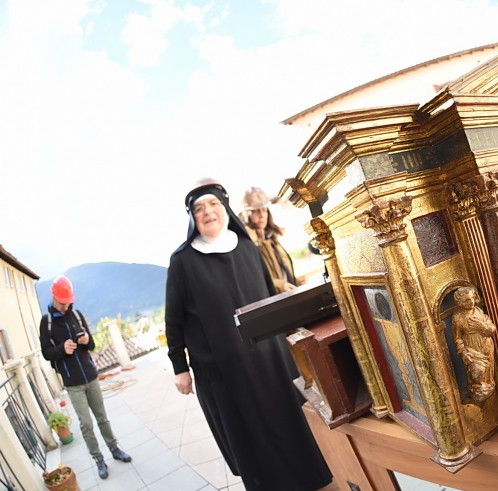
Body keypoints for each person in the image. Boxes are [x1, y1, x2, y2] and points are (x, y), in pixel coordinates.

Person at [165, 178, 332, 491]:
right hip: (226, 371)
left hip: (270, 359)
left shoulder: (246, 248)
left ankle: (316, 479)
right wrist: (180, 369)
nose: (207, 212)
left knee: (290, 422)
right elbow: (173, 321)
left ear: (225, 208)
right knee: (252, 436)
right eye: (199, 208)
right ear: (192, 218)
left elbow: (269, 295)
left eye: (213, 204)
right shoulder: (182, 262)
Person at [39, 275, 132, 480]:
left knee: (102, 418)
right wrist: (62, 349)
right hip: (73, 383)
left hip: (91, 376)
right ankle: (98, 459)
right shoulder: (46, 323)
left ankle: (115, 449)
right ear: (54, 298)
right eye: (63, 303)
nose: (66, 306)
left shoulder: (77, 315)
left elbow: (91, 346)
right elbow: (46, 353)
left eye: (68, 302)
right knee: (86, 424)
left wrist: (87, 340)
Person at [239, 186, 300, 293]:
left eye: (264, 210)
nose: (262, 215)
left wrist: (296, 283)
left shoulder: (271, 238)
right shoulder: (245, 244)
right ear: (246, 214)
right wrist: (280, 286)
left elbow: (282, 270)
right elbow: (253, 278)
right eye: (256, 211)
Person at [452, 287, 496, 403]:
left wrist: (482, 327)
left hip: (486, 346)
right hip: (472, 350)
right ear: (460, 302)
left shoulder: (478, 311)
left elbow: (492, 329)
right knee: (477, 373)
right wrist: (463, 353)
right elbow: (457, 338)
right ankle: (477, 393)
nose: (471, 302)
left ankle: (488, 391)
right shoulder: (457, 318)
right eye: (467, 300)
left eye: (472, 299)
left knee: (488, 376)